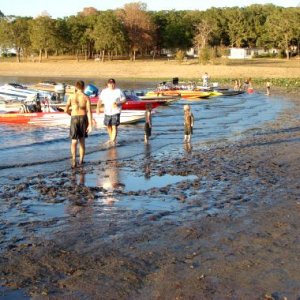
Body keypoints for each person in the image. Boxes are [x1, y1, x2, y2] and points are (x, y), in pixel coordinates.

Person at [65, 80, 92, 168]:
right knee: (82, 141)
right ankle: (81, 160)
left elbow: (66, 110)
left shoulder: (71, 96)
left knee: (74, 141)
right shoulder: (86, 97)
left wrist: (71, 114)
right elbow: (89, 112)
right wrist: (90, 124)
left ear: (76, 87)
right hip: (83, 118)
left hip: (74, 118)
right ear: (84, 87)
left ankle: (73, 159)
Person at [96, 78, 126, 145]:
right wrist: (98, 108)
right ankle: (112, 139)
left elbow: (124, 100)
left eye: (112, 84)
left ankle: (112, 141)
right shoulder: (104, 91)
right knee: (108, 126)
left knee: (114, 126)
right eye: (110, 84)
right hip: (107, 111)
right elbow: (100, 100)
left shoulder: (118, 91)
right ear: (107, 84)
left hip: (116, 111)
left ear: (114, 84)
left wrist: (118, 103)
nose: (111, 85)